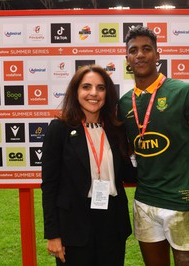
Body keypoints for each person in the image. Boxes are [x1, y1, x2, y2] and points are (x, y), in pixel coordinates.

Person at [118, 26, 189, 266]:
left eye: (147, 49)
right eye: (133, 50)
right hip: (144, 202)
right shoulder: (124, 103)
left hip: (182, 202)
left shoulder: (184, 92)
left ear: (158, 55)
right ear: (127, 59)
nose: (140, 55)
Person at [41, 64, 135, 266]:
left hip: (113, 223)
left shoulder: (115, 129)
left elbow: (128, 173)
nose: (94, 93)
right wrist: (53, 235)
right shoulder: (59, 129)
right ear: (75, 92)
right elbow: (49, 185)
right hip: (73, 227)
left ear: (107, 93)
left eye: (100, 88)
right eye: (86, 87)